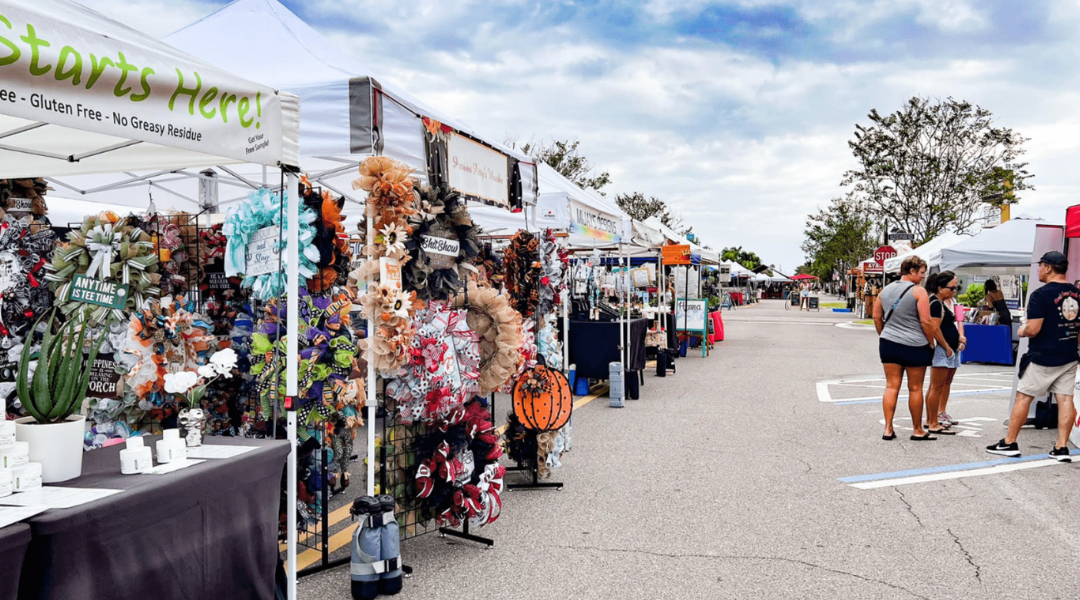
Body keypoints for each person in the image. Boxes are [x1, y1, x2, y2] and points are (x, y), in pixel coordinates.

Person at [987, 251, 1079, 461]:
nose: (1038, 270)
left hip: (1043, 355)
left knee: (1023, 398)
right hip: (1069, 353)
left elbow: (1034, 329)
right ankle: (1061, 447)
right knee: (1065, 399)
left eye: (1040, 266)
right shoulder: (1076, 293)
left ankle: (1009, 443)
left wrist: (1022, 330)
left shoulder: (1041, 294)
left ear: (1048, 267)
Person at [874, 256, 938, 441]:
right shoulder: (919, 292)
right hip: (915, 344)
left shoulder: (885, 290)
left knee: (891, 386)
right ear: (911, 271)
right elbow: (926, 321)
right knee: (915, 388)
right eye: (922, 273)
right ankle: (917, 429)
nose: (923, 277)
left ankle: (888, 428)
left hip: (889, 343)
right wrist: (930, 342)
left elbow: (877, 317)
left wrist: (884, 335)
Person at [925, 271, 965, 434]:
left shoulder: (945, 301)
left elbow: (957, 321)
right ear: (940, 288)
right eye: (952, 288)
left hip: (950, 347)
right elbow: (934, 328)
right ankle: (932, 421)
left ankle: (933, 418)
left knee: (941, 385)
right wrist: (947, 346)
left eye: (956, 288)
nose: (954, 291)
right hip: (943, 349)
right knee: (936, 386)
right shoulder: (935, 303)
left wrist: (958, 339)